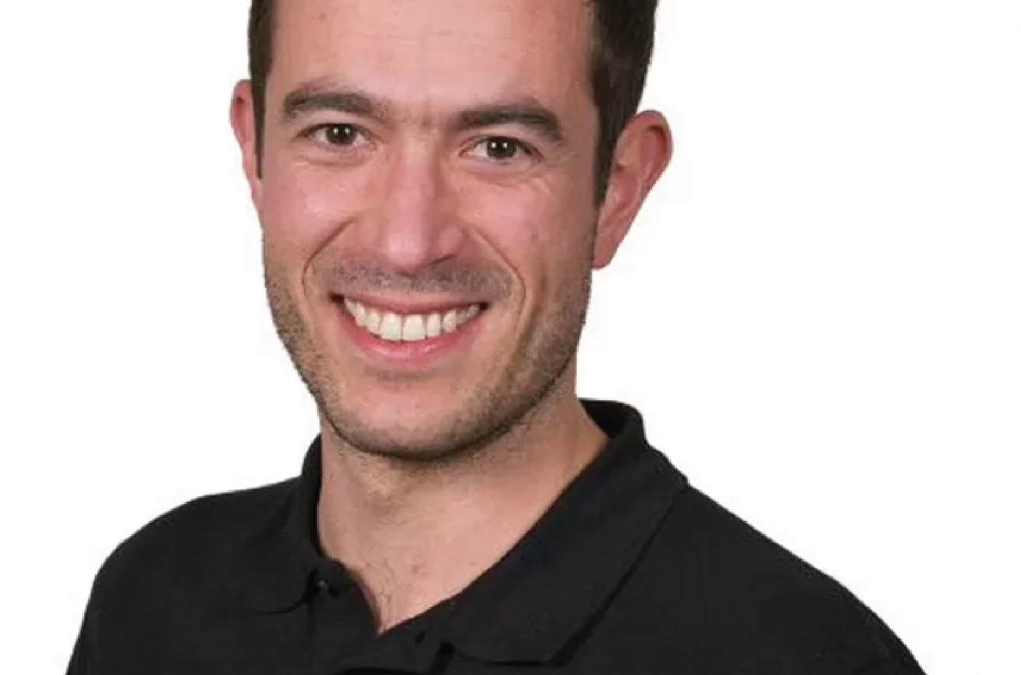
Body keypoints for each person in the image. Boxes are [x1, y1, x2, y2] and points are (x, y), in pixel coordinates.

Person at [65, 0, 927, 672]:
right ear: (255, 151)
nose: (407, 241)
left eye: (499, 148)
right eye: (340, 133)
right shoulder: (152, 602)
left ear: (618, 188)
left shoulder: (801, 656)